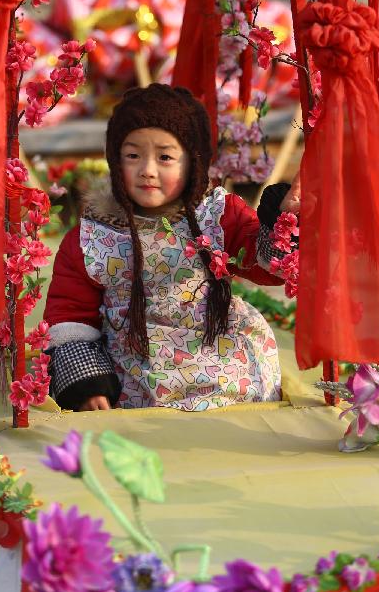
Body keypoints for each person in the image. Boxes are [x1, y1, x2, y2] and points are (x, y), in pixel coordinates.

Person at [44, 84, 298, 411]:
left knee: (233, 400)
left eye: (165, 157)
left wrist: (282, 220)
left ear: (191, 162)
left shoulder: (216, 216)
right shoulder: (93, 237)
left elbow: (267, 265)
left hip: (217, 355)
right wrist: (87, 384)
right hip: (134, 370)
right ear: (114, 159)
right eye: (133, 155)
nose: (147, 169)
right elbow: (70, 315)